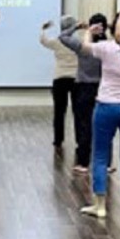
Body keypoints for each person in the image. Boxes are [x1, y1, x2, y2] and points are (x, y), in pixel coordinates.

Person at [79, 10, 120, 219]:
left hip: (107, 105)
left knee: (100, 156)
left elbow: (84, 47)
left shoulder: (107, 48)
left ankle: (99, 205)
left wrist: (89, 32)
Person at [60, 13, 107, 174]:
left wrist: (79, 26)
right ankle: (106, 163)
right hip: (103, 88)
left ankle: (83, 163)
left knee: (84, 126)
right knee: (104, 127)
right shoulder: (108, 47)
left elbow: (63, 36)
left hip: (84, 88)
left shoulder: (82, 46)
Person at [40, 16, 79, 148]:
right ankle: (80, 139)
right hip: (76, 79)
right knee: (78, 112)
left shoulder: (57, 42)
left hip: (59, 78)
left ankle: (58, 139)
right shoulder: (77, 42)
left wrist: (43, 29)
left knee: (59, 112)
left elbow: (43, 41)